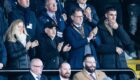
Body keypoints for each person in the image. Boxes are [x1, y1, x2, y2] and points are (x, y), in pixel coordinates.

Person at [97, 6, 135, 80]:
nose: (114, 17)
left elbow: (128, 42)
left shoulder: (119, 27)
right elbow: (98, 47)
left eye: (115, 15)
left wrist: (118, 29)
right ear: (106, 15)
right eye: (111, 15)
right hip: (107, 63)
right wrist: (114, 48)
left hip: (121, 62)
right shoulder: (99, 27)